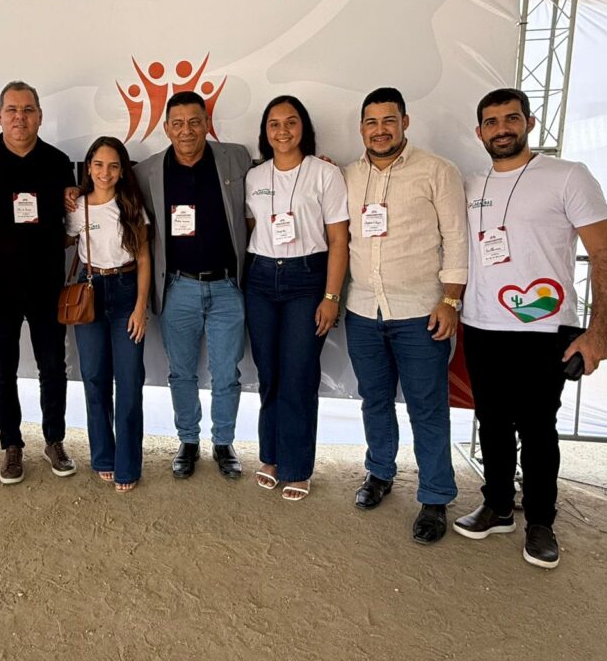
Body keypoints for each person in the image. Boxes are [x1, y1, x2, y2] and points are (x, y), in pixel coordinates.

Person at [454, 88, 607, 569]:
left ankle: (541, 522)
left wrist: (598, 331)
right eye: (491, 122)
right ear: (479, 132)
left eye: (511, 118)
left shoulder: (568, 176)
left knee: (538, 427)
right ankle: (498, 506)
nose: (501, 129)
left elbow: (605, 255)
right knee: (491, 422)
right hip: (481, 323)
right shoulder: (470, 184)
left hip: (545, 328)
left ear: (529, 122)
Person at [343, 87, 467, 544]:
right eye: (371, 122)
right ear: (361, 128)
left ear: (405, 123)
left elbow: (457, 239)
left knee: (427, 408)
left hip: (421, 313)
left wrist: (450, 301)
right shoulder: (348, 176)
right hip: (362, 310)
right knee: (374, 400)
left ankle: (434, 497)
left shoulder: (437, 171)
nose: (380, 130)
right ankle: (379, 472)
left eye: (388, 121)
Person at [0, 81, 79, 485]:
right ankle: (11, 444)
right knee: (2, 371)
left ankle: (54, 440)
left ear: (40, 116)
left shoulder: (58, 163)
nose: (19, 118)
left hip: (48, 287)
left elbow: (71, 225)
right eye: (11, 110)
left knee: (53, 368)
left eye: (27, 110)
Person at [134, 91, 252, 479]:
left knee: (226, 373)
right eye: (178, 124)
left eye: (194, 122)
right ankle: (187, 440)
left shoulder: (236, 158)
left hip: (226, 287)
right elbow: (115, 200)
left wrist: (320, 162)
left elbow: (277, 177)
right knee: (181, 372)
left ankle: (224, 442)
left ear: (206, 124)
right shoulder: (147, 172)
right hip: (178, 288)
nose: (187, 131)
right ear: (167, 128)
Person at [245, 96, 349, 501]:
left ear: (303, 126)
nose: (283, 131)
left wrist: (331, 296)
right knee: (269, 373)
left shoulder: (325, 173)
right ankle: (271, 457)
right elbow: (253, 228)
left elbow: (338, 240)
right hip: (260, 279)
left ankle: (298, 466)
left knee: (299, 374)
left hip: (307, 280)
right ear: (264, 132)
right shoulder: (255, 176)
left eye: (291, 122)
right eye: (274, 124)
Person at [65, 137, 150, 493]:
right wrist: (64, 196)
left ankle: (128, 465)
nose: (105, 172)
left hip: (127, 291)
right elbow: (61, 241)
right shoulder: (77, 208)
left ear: (122, 170)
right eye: (98, 165)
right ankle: (103, 457)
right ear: (88, 167)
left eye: (113, 166)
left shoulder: (131, 206)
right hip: (91, 292)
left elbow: (143, 258)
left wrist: (141, 308)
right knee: (95, 378)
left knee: (129, 382)